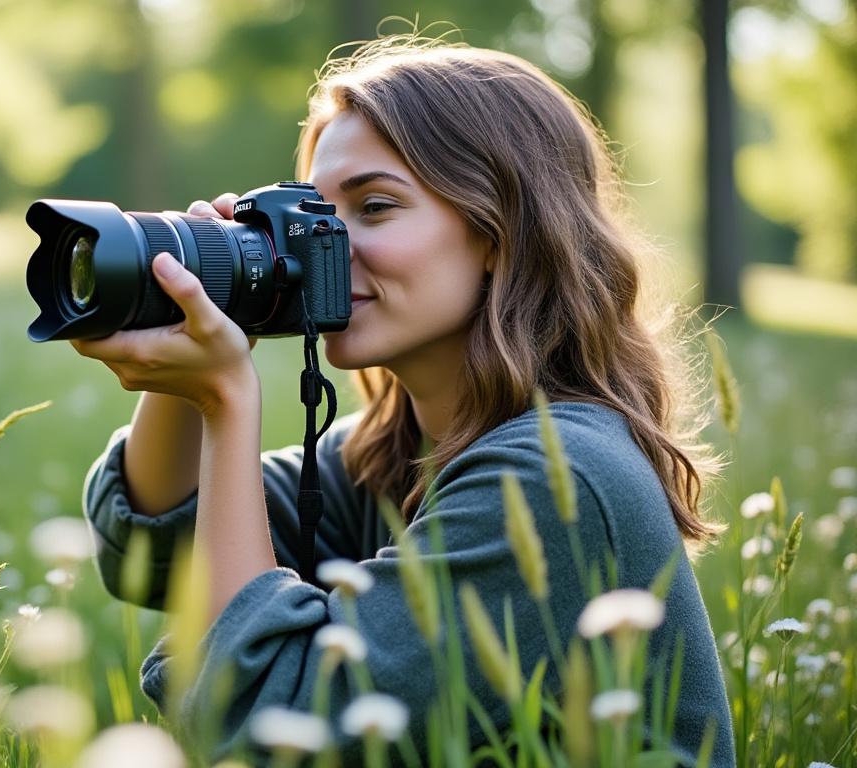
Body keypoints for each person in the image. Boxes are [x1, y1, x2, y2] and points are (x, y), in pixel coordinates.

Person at [73, 32, 734, 766]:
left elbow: (272, 729)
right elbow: (152, 549)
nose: (319, 250)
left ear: (499, 232)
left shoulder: (557, 476)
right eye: (314, 218)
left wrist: (228, 400)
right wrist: (199, 304)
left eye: (375, 207)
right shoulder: (392, 454)